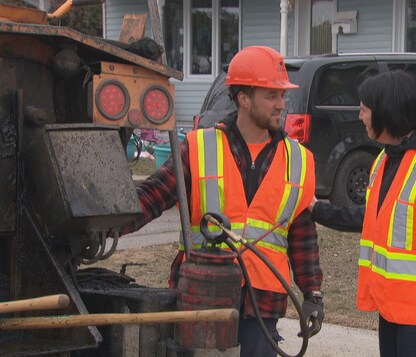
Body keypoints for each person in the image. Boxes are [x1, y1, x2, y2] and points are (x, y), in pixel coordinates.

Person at [120, 46, 324, 357]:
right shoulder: (198, 148)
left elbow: (302, 234)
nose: (281, 105)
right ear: (243, 98)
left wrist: (313, 292)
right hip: (203, 291)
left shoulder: (299, 161)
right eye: (272, 96)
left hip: (263, 301)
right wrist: (103, 228)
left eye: (282, 96)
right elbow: (151, 198)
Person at [309, 70, 416, 356]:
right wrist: (318, 210)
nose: (360, 116)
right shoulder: (388, 157)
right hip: (393, 312)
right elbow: (373, 218)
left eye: (364, 110)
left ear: (386, 113)